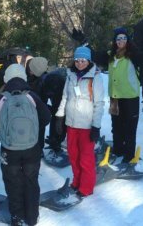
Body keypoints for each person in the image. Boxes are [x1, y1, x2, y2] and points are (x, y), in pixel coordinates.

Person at [0, 64, 50, 226]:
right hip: (32, 148)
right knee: (31, 181)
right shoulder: (32, 96)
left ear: (6, 79)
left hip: (9, 150)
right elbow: (46, 117)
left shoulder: (1, 98)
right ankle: (32, 217)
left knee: (13, 182)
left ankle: (18, 218)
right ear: (23, 77)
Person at [55, 47, 105, 198]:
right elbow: (65, 97)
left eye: (83, 60)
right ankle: (77, 181)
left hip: (86, 125)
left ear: (88, 60)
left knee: (85, 158)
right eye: (77, 60)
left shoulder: (95, 77)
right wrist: (59, 116)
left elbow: (99, 103)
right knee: (73, 155)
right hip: (71, 124)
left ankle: (86, 186)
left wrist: (96, 126)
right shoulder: (70, 75)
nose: (80, 63)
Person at [92, 28, 143, 163]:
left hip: (130, 96)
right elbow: (95, 56)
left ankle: (129, 156)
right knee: (117, 126)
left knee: (130, 128)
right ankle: (118, 149)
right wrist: (84, 42)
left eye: (124, 38)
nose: (121, 41)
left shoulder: (133, 54)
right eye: (118, 39)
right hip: (115, 97)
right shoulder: (111, 55)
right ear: (115, 41)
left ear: (128, 40)